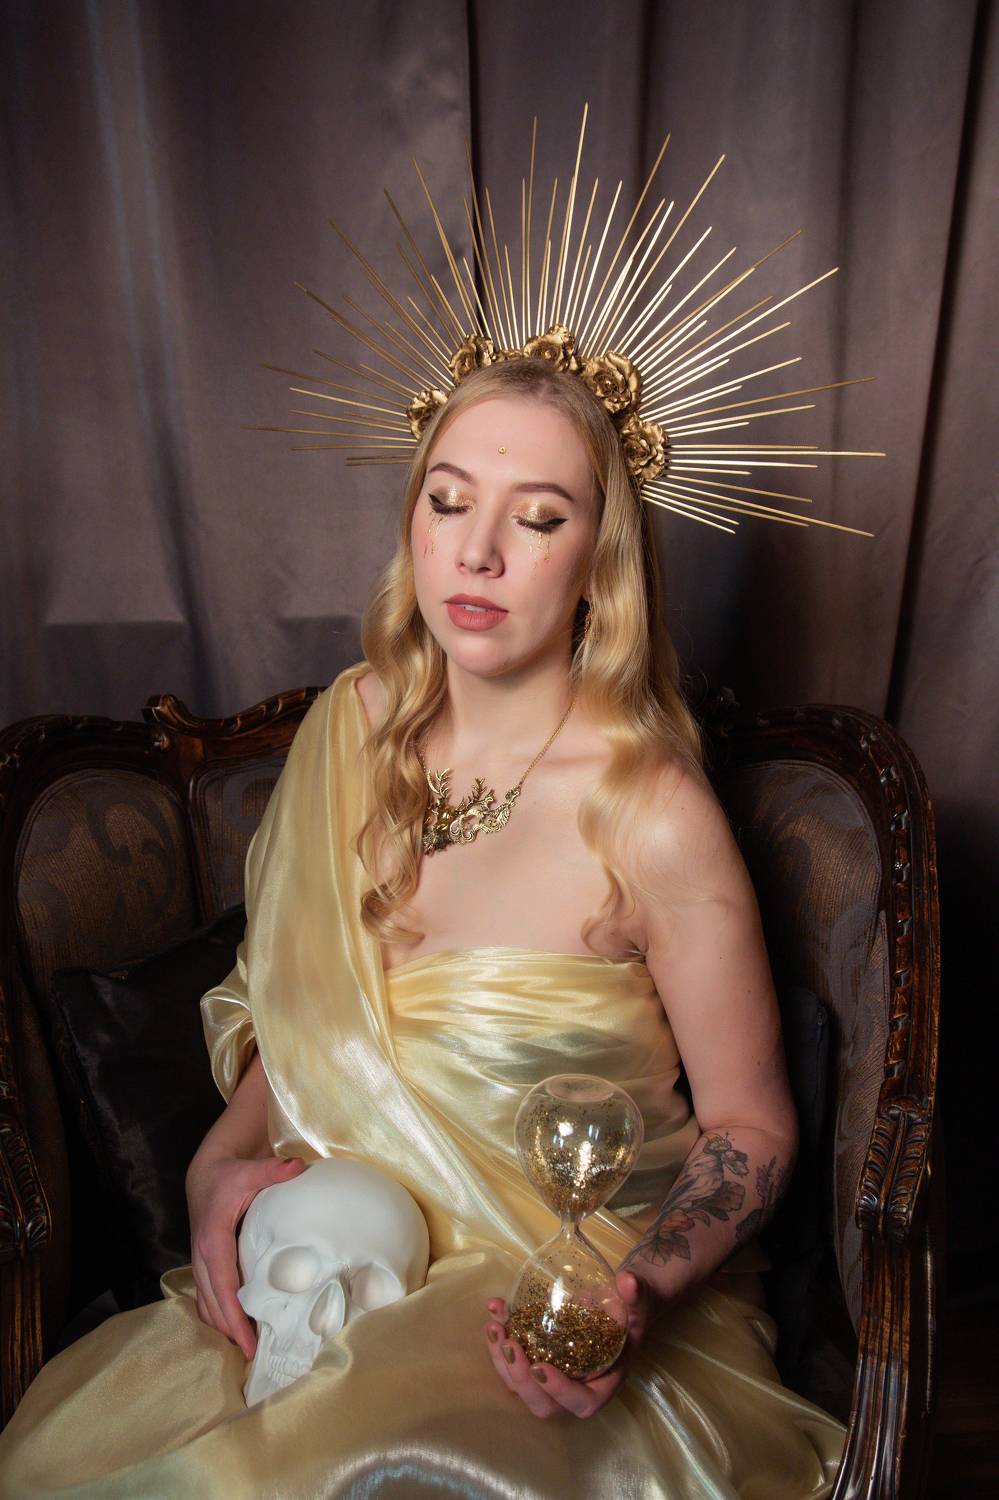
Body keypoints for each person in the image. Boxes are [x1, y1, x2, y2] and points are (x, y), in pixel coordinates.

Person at [0, 356, 845, 1497]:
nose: (477, 551)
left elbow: (752, 1125)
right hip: (335, 1267)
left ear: (601, 563)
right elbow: (303, 1012)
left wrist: (632, 1292)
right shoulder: (349, 731)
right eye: (448, 501)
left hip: (549, 1295)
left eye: (537, 518)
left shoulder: (652, 810)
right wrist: (216, 1165)